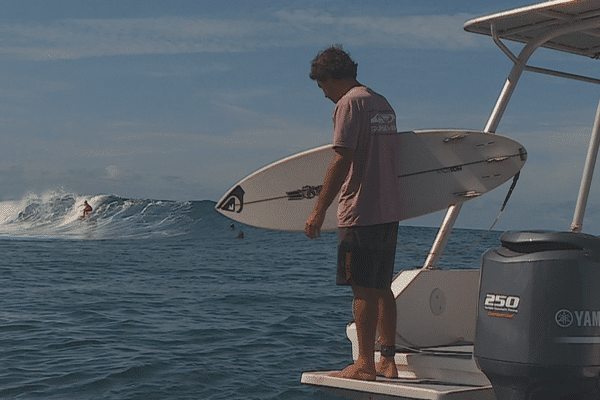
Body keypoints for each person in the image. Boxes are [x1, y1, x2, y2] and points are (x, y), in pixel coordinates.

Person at [305, 45, 402, 381]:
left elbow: (342, 158)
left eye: (323, 86)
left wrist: (319, 211)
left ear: (332, 77)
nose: (325, 95)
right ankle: (388, 361)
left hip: (359, 210)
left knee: (361, 288)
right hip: (389, 209)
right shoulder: (381, 102)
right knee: (382, 286)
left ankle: (365, 364)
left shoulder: (349, 103)